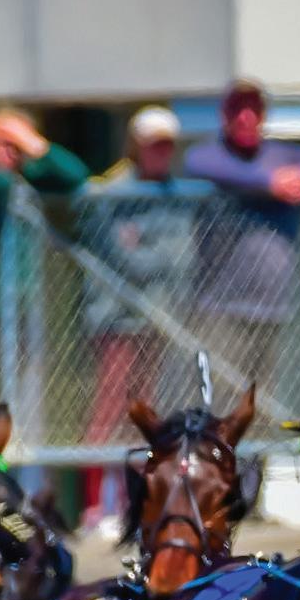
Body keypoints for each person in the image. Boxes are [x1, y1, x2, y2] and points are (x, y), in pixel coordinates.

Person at [186, 80, 300, 416]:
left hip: (273, 310)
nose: (245, 117)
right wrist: (267, 183)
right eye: (237, 109)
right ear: (224, 115)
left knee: (261, 407)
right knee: (219, 408)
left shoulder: (280, 155)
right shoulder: (216, 155)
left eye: (253, 109)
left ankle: (256, 454)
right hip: (221, 309)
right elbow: (196, 162)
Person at [79, 106, 195, 536]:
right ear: (136, 146)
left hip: (157, 317)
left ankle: (134, 504)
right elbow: (124, 258)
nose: (160, 153)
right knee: (109, 407)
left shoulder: (176, 194)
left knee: (146, 412)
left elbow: (181, 257)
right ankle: (96, 507)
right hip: (116, 317)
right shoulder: (111, 191)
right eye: (153, 145)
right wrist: (153, 254)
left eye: (167, 145)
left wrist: (146, 248)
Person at [0, 105, 90, 416]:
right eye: (5, 143)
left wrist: (35, 145)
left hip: (22, 311)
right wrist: (24, 169)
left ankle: (12, 447)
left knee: (17, 398)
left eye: (18, 145)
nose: (12, 152)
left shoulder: (27, 177)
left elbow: (75, 175)